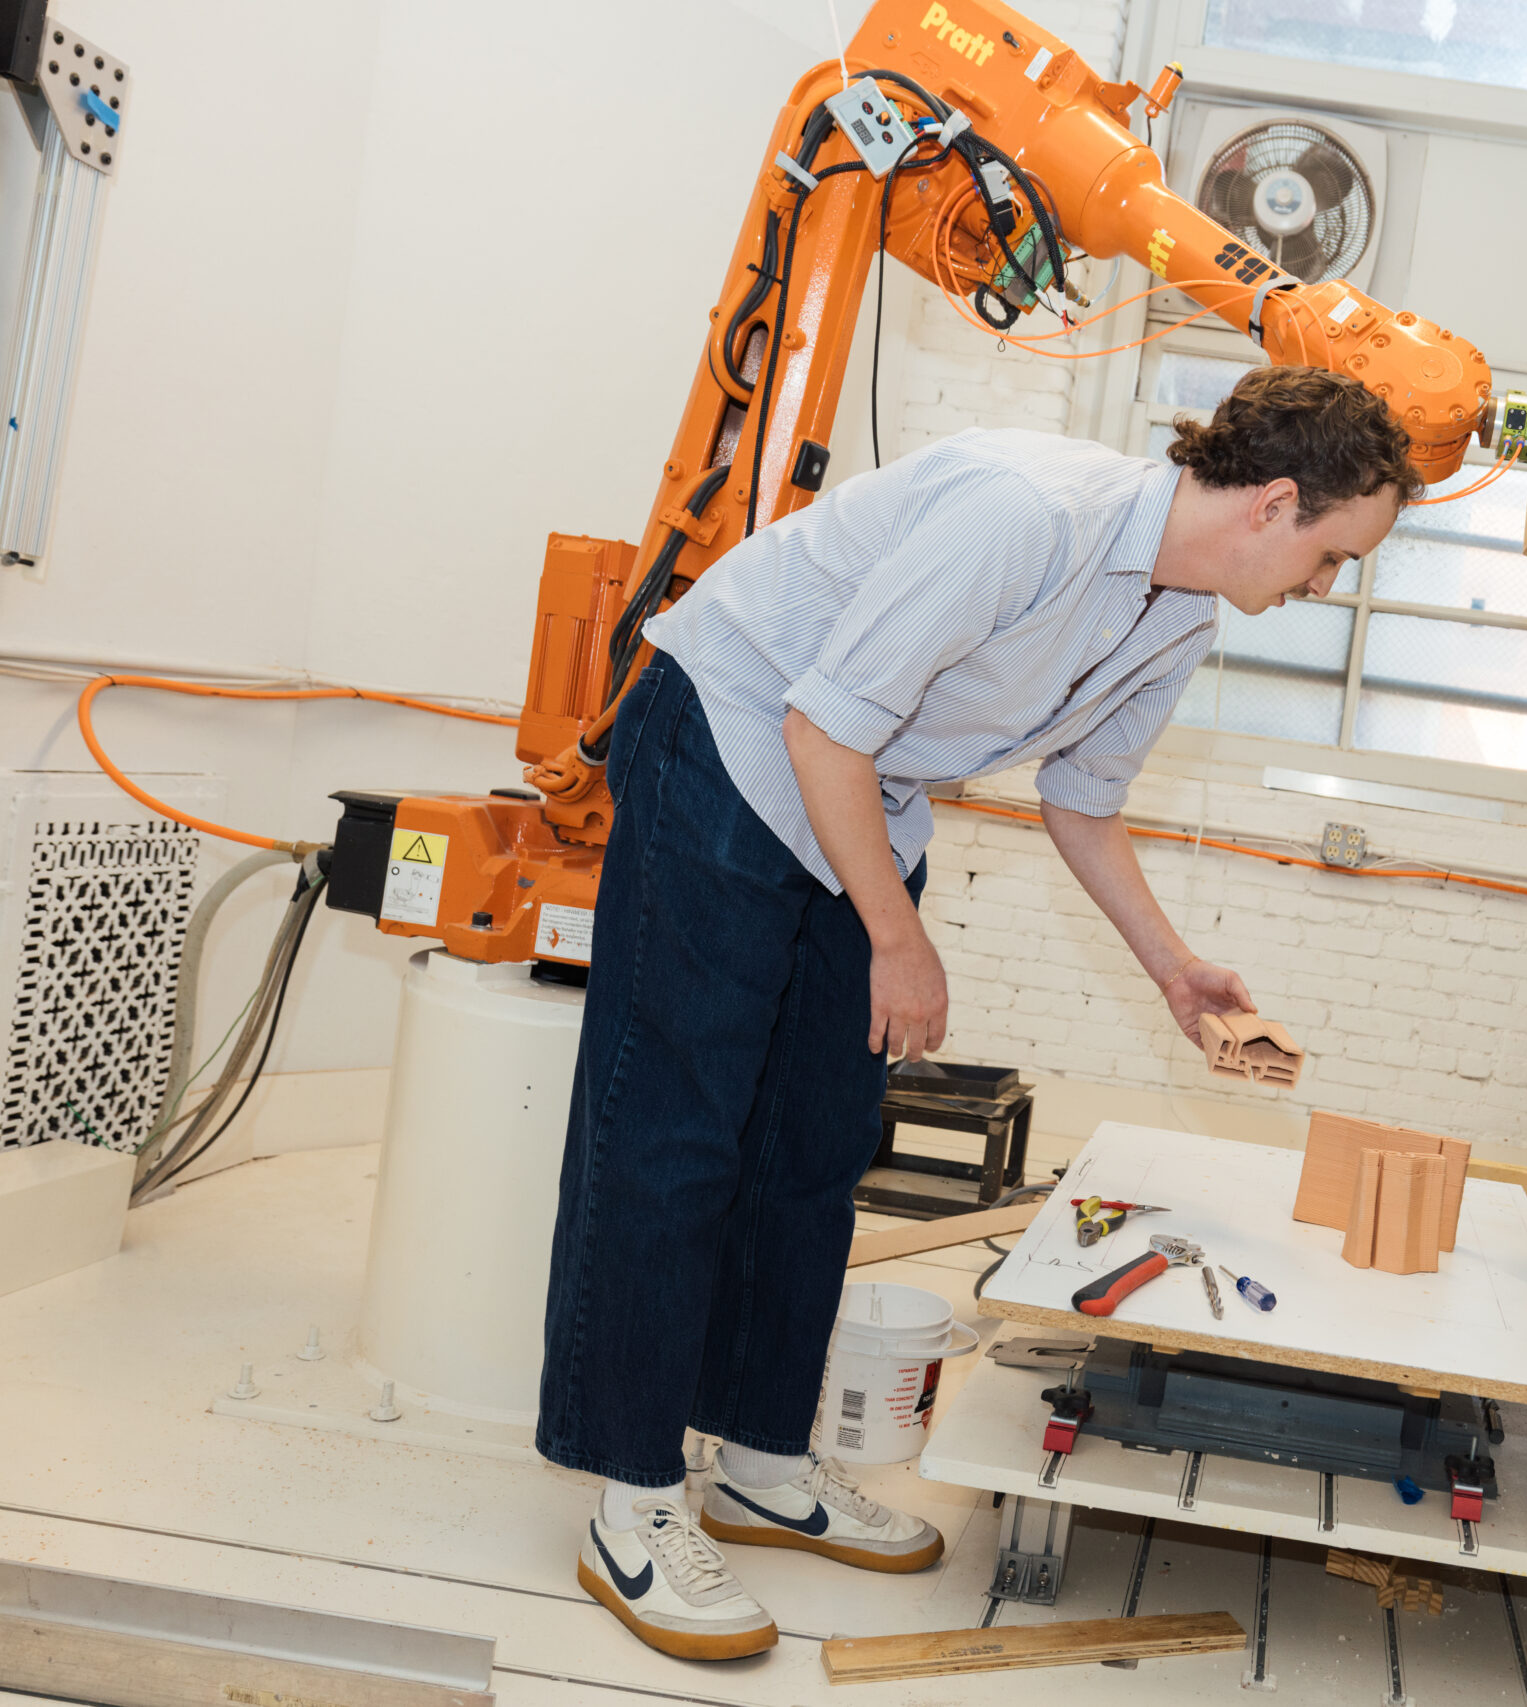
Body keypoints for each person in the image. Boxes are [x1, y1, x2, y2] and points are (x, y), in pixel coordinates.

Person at [537, 368, 1420, 1660]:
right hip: (731, 735)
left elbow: (1082, 802)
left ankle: (761, 1461)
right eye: (1333, 554)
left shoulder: (1178, 616)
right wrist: (897, 937)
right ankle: (632, 1495)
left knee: (816, 1143)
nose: (1326, 586)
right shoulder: (1027, 513)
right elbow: (819, 724)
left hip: (858, 787)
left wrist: (1176, 970)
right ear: (1275, 502)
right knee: (677, 1132)